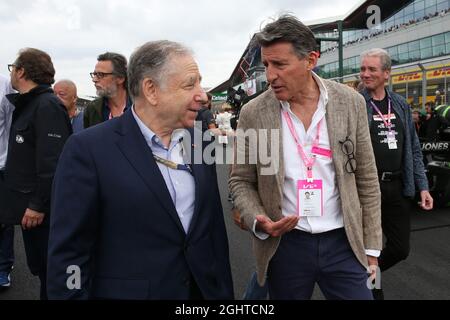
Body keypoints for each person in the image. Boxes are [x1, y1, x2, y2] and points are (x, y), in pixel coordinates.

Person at [47, 40, 234, 300]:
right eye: (190, 84)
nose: (202, 95)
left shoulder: (199, 142)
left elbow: (213, 232)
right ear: (151, 90)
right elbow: (69, 252)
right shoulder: (87, 150)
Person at [229, 15, 382, 300]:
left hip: (345, 243)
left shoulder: (350, 102)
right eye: (266, 65)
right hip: (285, 246)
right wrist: (257, 218)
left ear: (311, 60)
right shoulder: (253, 112)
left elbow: (367, 178)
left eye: (280, 64)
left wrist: (372, 250)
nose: (270, 75)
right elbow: (241, 181)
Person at [359, 48, 433, 300]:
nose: (365, 74)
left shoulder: (400, 104)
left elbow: (413, 148)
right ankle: (373, 292)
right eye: (363, 69)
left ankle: (366, 276)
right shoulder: (357, 103)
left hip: (398, 186)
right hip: (367, 190)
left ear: (386, 74)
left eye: (372, 69)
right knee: (371, 250)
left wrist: (422, 186)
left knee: (400, 249)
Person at [2, 48, 72, 299]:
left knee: (50, 271)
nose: (11, 73)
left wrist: (37, 205)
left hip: (42, 213)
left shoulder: (47, 106)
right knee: (42, 269)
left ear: (21, 71)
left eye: (13, 67)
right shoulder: (31, 104)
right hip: (30, 210)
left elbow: (52, 162)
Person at [84, 52, 132, 128]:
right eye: (94, 74)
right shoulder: (92, 109)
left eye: (100, 75)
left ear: (120, 78)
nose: (94, 79)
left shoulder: (140, 105)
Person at [0, 74, 15, 289]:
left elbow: (12, 124)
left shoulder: (4, 84)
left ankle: (3, 268)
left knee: (3, 221)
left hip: (0, 165)